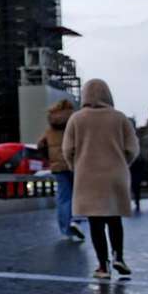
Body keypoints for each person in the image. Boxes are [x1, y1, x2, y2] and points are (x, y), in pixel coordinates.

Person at [63, 78, 139, 280]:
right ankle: (118, 256)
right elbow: (132, 149)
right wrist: (122, 163)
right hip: (115, 175)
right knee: (114, 218)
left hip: (87, 176)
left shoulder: (76, 119)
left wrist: (76, 166)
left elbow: (67, 150)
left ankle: (103, 266)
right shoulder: (120, 118)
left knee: (95, 222)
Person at [36, 99, 83, 241]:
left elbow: (40, 145)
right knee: (78, 194)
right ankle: (75, 219)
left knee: (64, 197)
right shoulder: (75, 123)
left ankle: (65, 228)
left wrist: (50, 158)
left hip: (58, 167)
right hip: (75, 164)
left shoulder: (50, 129)